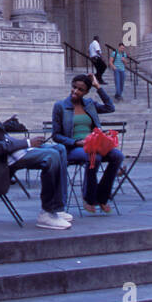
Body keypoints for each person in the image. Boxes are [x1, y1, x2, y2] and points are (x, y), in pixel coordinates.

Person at [0, 64, 72, 229]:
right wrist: (27, 143)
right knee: (52, 156)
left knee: (60, 149)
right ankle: (47, 212)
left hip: (7, 150)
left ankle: (57, 206)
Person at [51, 73, 124, 213]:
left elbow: (110, 107)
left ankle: (102, 197)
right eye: (74, 87)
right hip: (74, 148)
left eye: (80, 90)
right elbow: (56, 135)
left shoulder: (90, 104)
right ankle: (89, 198)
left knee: (118, 156)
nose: (75, 91)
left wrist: (98, 86)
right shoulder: (60, 106)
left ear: (86, 92)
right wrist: (76, 142)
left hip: (95, 144)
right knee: (94, 158)